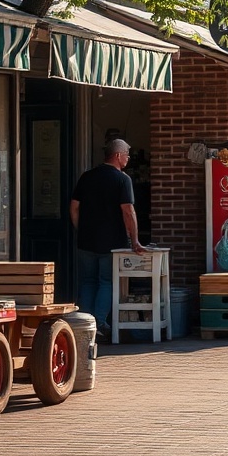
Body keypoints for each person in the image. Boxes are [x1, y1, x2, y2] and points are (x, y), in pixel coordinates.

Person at [70, 138, 148, 341]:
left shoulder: (86, 177)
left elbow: (74, 207)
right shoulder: (123, 180)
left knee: (87, 281)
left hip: (86, 240)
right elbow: (128, 211)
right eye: (127, 155)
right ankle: (98, 322)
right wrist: (135, 239)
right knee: (106, 281)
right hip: (112, 242)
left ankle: (82, 324)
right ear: (118, 155)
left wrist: (81, 229)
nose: (129, 159)